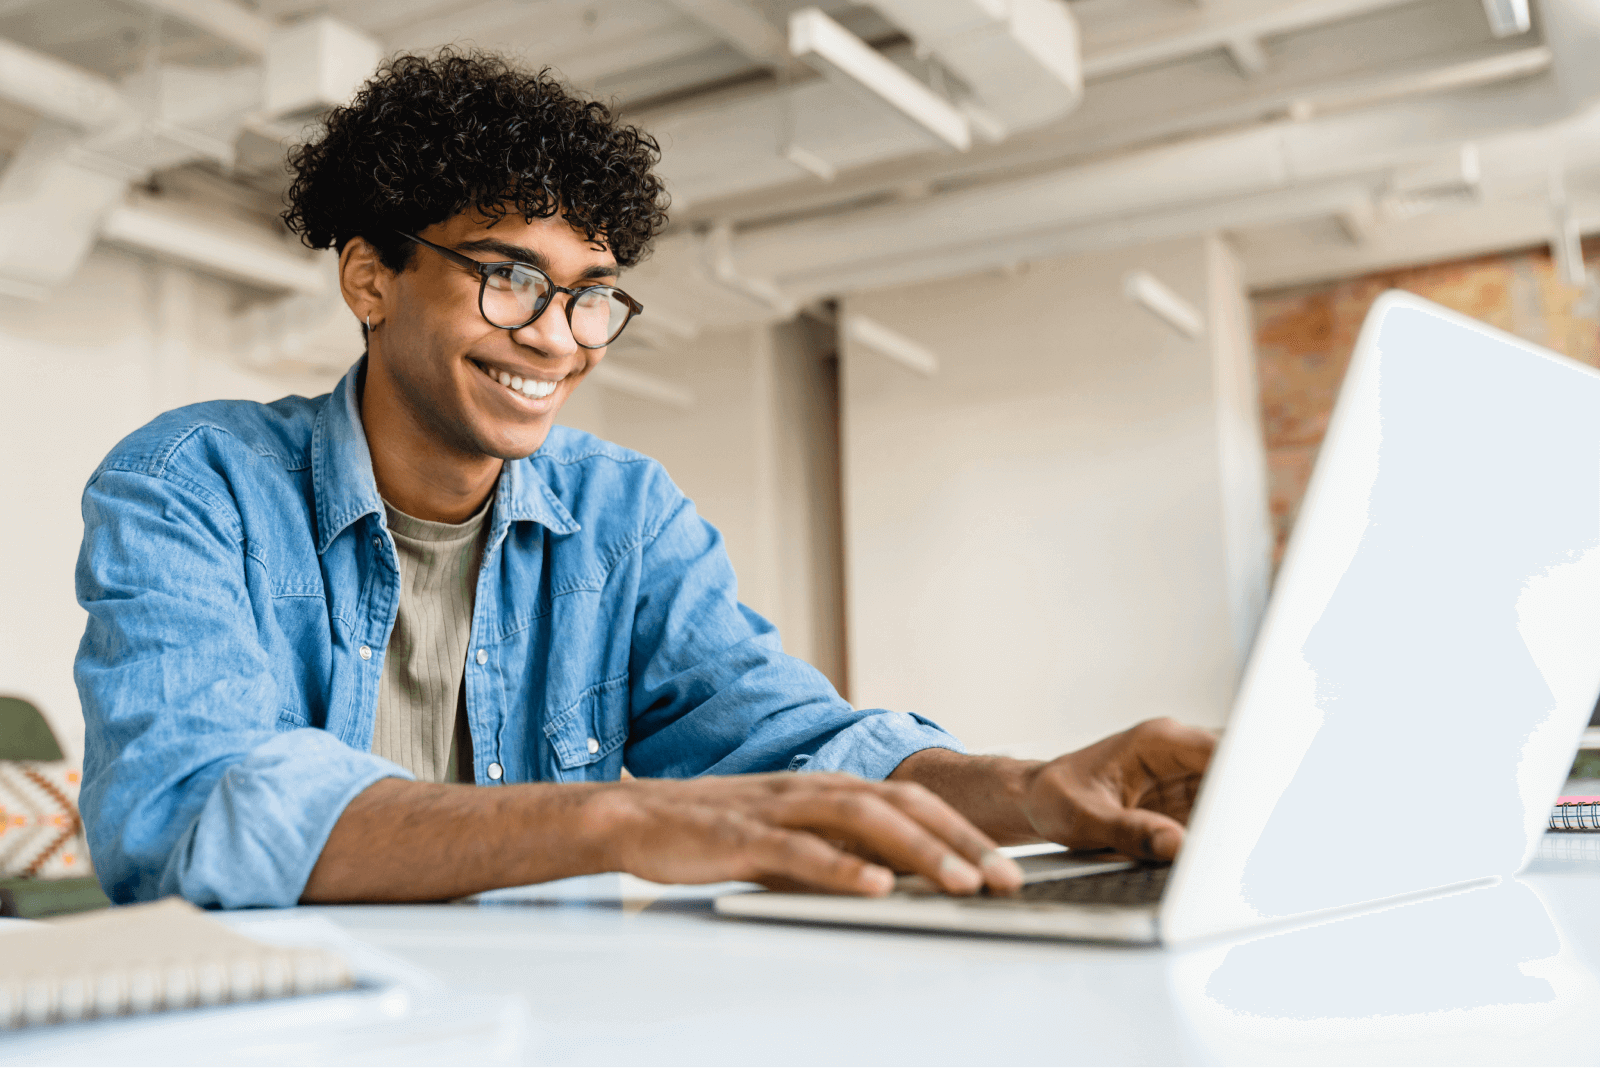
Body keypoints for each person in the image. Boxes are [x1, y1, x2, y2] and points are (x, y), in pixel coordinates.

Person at [75, 51, 1215, 909]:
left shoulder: (622, 513)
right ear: (370, 279)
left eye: (589, 293)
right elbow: (191, 812)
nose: (557, 337)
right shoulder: (193, 484)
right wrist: (621, 818)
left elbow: (788, 743)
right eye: (509, 277)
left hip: (550, 1009)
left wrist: (1033, 790)